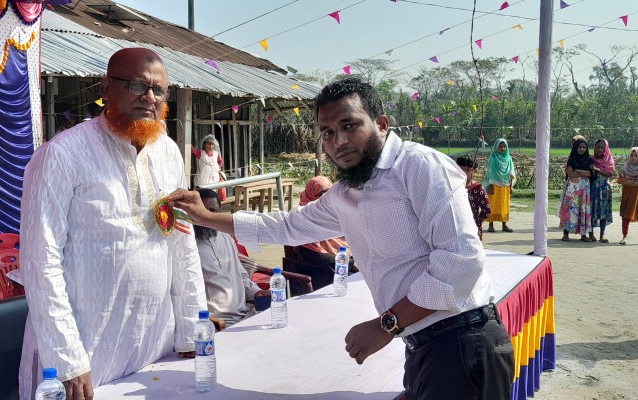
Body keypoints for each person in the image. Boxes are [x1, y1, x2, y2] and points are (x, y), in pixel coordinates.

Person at [169, 78, 514, 399]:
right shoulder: (346, 193)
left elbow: (460, 262)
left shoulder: (419, 166)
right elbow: (287, 226)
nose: (339, 141)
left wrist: (387, 323)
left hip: (463, 342)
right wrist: (206, 218)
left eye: (350, 125)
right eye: (328, 132)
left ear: (381, 124)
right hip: (424, 344)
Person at [17, 48, 207, 400]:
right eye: (137, 85)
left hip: (155, 342)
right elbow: (40, 261)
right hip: (86, 351)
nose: (149, 97)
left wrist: (191, 330)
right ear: (107, 88)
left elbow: (182, 245)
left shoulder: (169, 152)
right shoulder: (61, 154)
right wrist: (67, 359)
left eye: (159, 90)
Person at [195, 188, 269, 329]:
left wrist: (256, 291)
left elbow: (241, 274)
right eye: (203, 210)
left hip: (247, 313)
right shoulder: (188, 247)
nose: (207, 216)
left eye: (212, 211)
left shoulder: (226, 237)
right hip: (218, 323)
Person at [288, 175, 355, 288]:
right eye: (321, 193)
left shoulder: (334, 214)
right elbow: (316, 256)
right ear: (310, 194)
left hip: (340, 267)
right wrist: (349, 261)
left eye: (328, 193)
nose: (325, 197)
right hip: (322, 273)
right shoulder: (304, 218)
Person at [559, 139, 594, 242]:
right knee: (570, 208)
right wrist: (583, 173)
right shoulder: (572, 159)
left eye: (584, 147)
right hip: (572, 188)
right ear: (575, 148)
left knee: (583, 209)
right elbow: (570, 174)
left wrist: (577, 170)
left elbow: (591, 173)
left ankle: (583, 235)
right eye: (579, 147)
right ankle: (566, 234)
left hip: (584, 188)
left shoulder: (589, 159)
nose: (582, 149)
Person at [617, 147, 638, 247]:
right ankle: (624, 236)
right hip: (627, 195)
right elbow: (622, 181)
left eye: (636, 155)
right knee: (625, 217)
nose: (633, 157)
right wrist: (635, 181)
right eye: (631, 155)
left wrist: (630, 182)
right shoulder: (625, 168)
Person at [482, 138, 515, 233]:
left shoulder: (509, 158)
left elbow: (511, 172)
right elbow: (489, 173)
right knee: (492, 204)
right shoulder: (493, 158)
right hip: (494, 185)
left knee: (504, 205)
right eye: (500, 146)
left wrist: (511, 186)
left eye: (504, 146)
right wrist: (490, 186)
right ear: (496, 147)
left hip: (506, 185)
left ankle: (504, 225)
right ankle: (490, 225)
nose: (502, 148)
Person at [456, 156, 491, 240]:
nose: (464, 173)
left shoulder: (478, 189)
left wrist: (476, 222)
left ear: (474, 171)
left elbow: (486, 210)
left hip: (472, 230)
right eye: (461, 169)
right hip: (455, 229)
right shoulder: (452, 188)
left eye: (468, 170)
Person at [589, 139, 615, 243]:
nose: (599, 149)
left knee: (603, 212)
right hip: (593, 189)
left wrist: (598, 170)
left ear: (605, 149)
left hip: (604, 189)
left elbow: (610, 173)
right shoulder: (591, 159)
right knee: (591, 210)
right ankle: (591, 234)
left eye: (602, 148)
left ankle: (602, 235)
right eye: (597, 147)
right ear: (594, 147)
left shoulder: (609, 160)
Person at [191, 134, 226, 201]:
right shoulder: (201, 153)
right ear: (204, 144)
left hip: (214, 177)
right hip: (203, 178)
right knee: (203, 193)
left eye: (212, 144)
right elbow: (192, 150)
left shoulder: (216, 154)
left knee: (213, 193)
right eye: (208, 144)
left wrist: (219, 167)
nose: (210, 146)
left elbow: (220, 161)